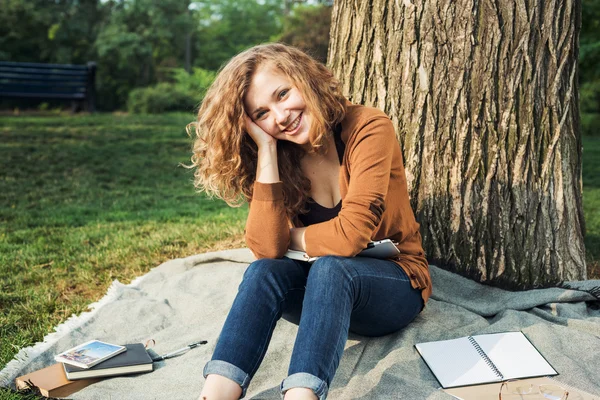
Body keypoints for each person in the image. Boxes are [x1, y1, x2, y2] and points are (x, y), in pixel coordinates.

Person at [189, 43, 432, 400]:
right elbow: (266, 249)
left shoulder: (367, 126)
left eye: (283, 94)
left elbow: (350, 237)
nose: (281, 116)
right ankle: (216, 393)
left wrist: (293, 236)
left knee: (333, 267)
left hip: (394, 286)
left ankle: (301, 396)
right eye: (261, 113)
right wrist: (267, 151)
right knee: (263, 273)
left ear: (303, 79)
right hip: (318, 293)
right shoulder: (280, 152)